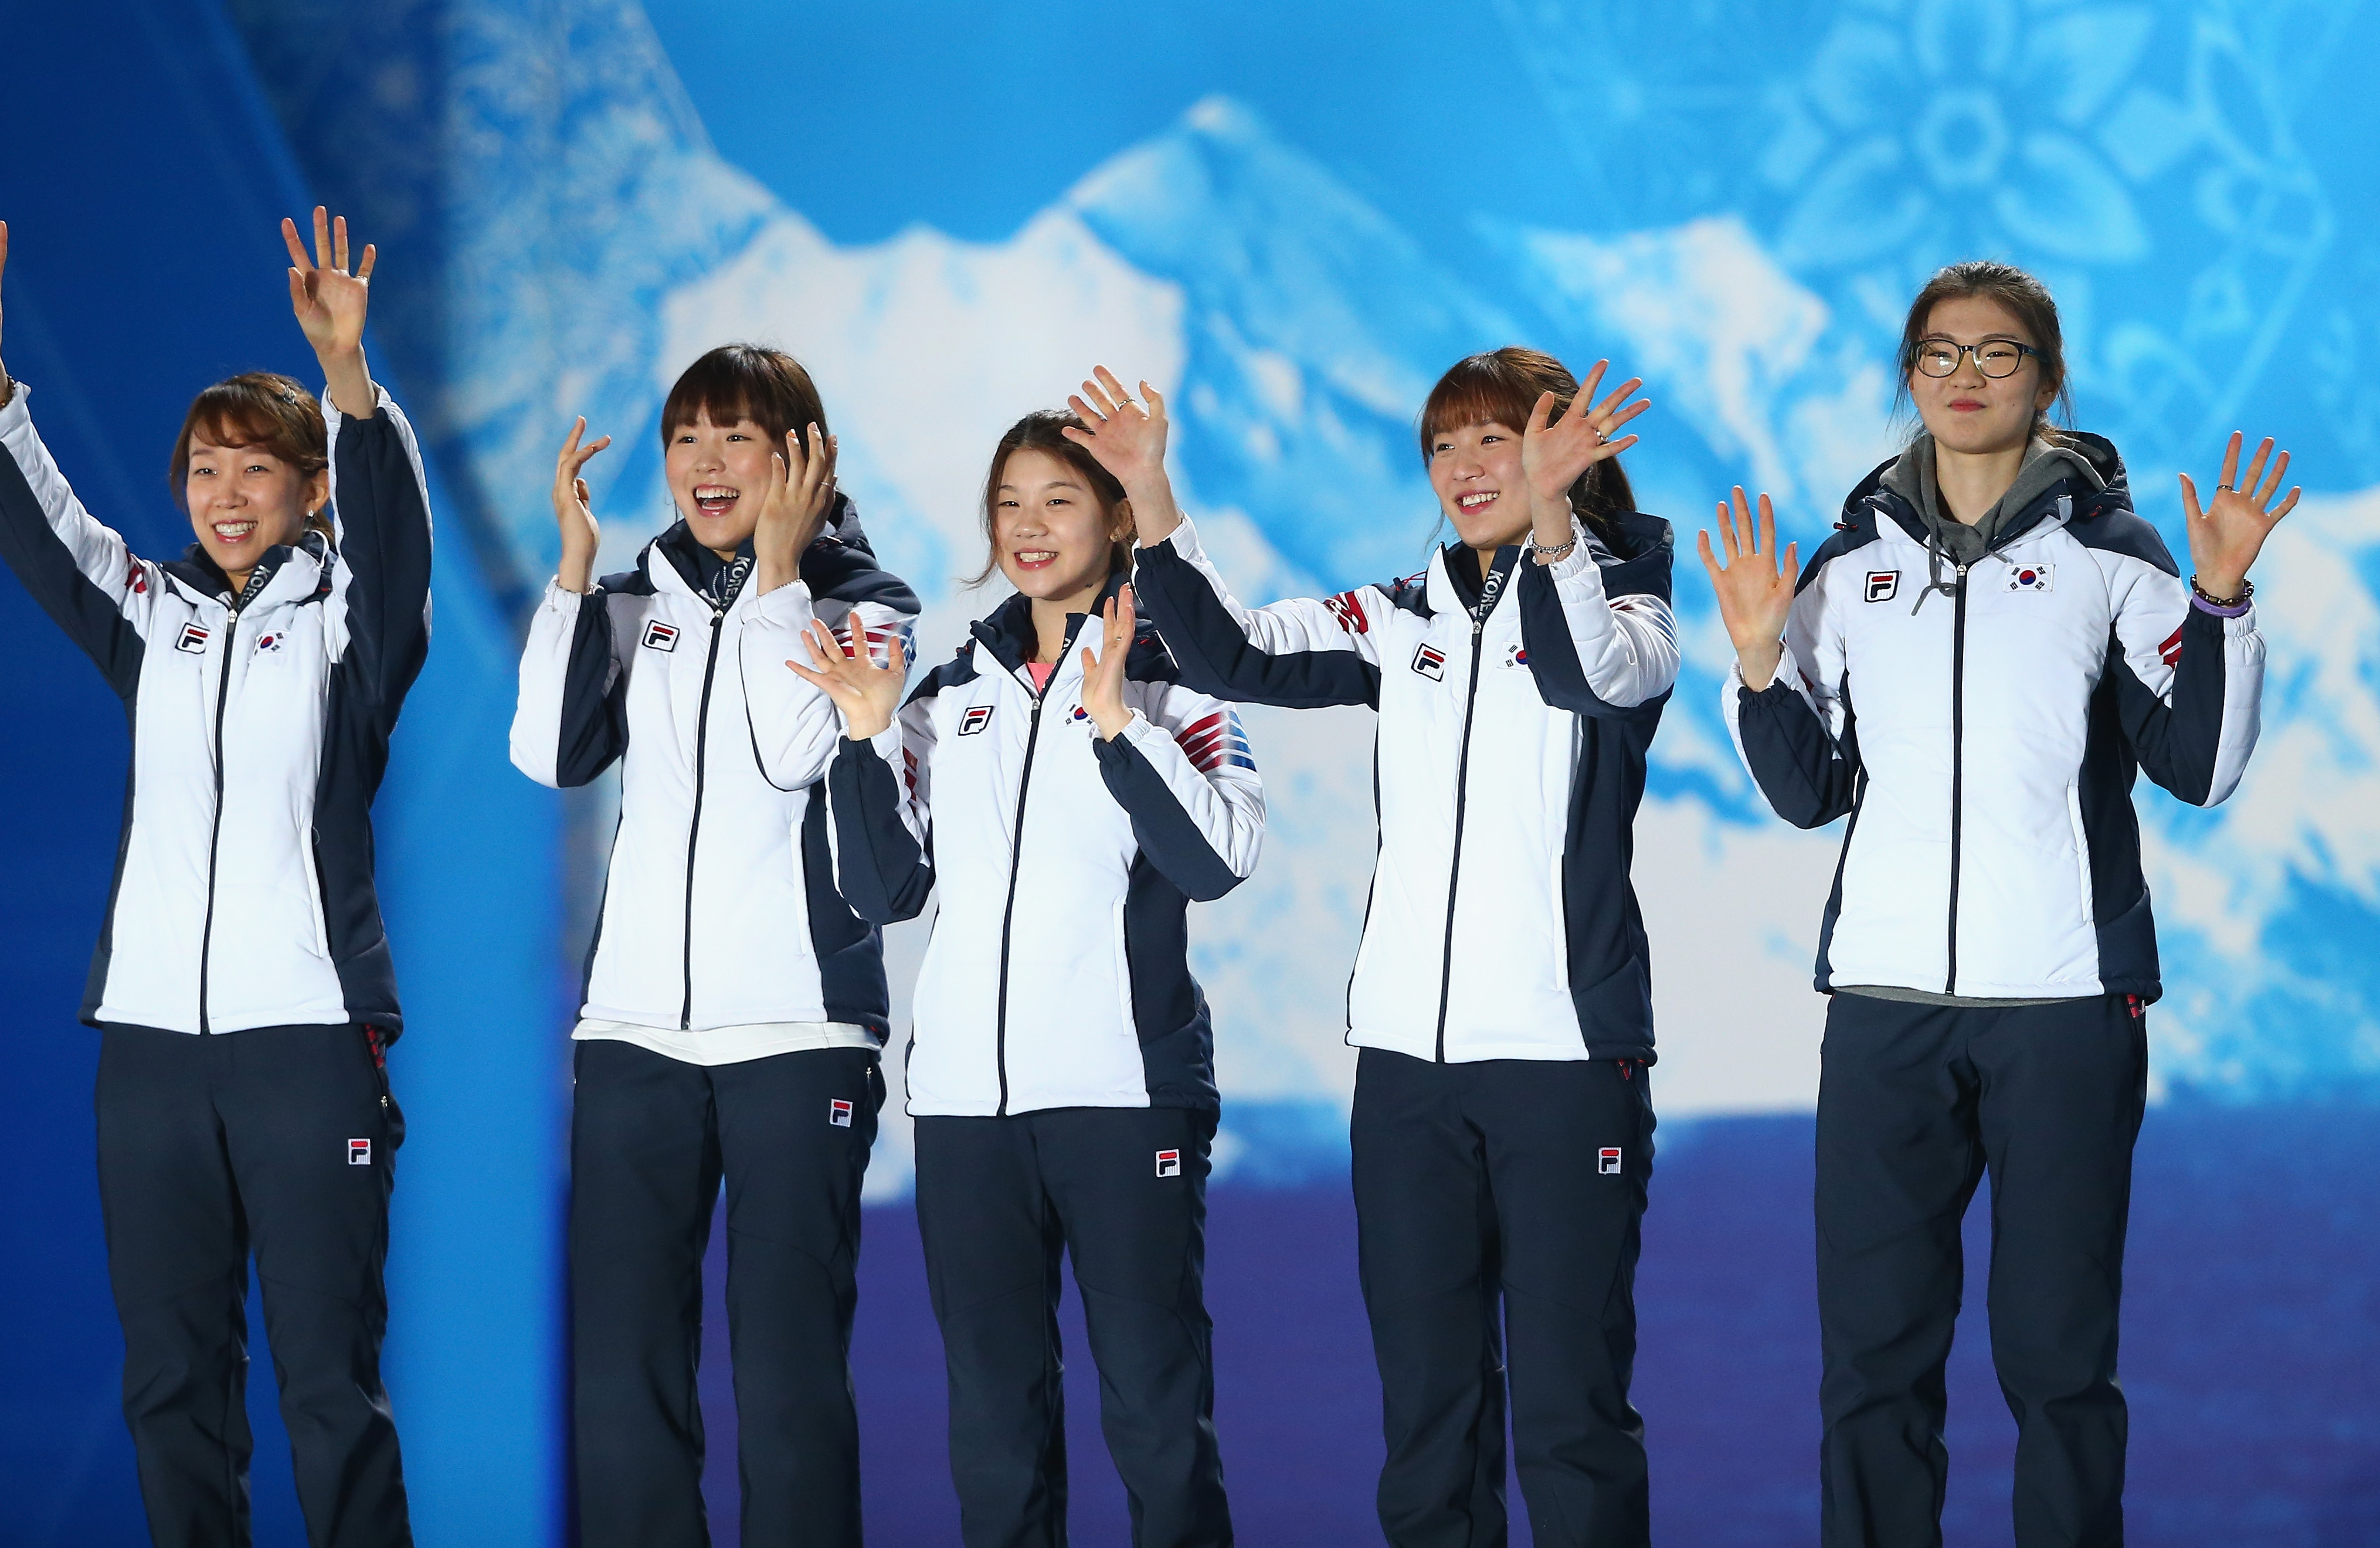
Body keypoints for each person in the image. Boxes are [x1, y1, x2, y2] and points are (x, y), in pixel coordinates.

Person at [1696, 259, 2296, 1548]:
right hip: (1885, 1009)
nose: (1966, 375)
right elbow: (1807, 794)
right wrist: (1756, 661)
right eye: (1941, 353)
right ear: (1909, 376)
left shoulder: (2115, 558)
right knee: (1872, 1366)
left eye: (1998, 353)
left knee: (2058, 1360)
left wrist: (2222, 601)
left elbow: (2201, 768)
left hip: (2065, 1006)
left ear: (2048, 378)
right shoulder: (1848, 566)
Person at [1095, 352, 1679, 1547]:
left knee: (1569, 1415)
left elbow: (1585, 680)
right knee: (1427, 1418)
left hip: (1567, 1064)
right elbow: (1229, 655)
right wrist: (1151, 496)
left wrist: (1556, 526)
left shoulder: (1633, 608)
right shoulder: (1397, 616)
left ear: (1565, 451)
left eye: (1496, 439)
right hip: (1409, 1075)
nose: (1466, 468)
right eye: (1443, 447)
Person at [0, 208, 431, 1546]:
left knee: (328, 1388)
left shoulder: (346, 624)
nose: (225, 492)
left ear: (311, 488)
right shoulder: (150, 616)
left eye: (257, 467)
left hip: (307, 1043)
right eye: (206, 467)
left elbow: (398, 546)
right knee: (171, 1387)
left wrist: (347, 377)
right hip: (150, 1051)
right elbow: (48, 529)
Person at [792, 410, 1265, 1548]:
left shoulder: (1179, 683)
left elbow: (1219, 862)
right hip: (968, 1112)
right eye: (1009, 503)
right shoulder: (948, 694)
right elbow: (883, 892)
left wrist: (1118, 727)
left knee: (1155, 1415)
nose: (1029, 526)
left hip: (1124, 1099)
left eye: (1059, 499)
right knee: (995, 1428)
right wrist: (865, 740)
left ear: (1116, 517)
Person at [507, 344, 919, 1548]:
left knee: (787, 1369)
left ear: (802, 456)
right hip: (634, 1031)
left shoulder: (866, 605)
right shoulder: (635, 598)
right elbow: (549, 754)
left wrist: (781, 576)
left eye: (736, 436)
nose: (706, 461)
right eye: (687, 437)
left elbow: (793, 753)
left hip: (799, 1030)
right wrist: (575, 572)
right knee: (623, 1371)